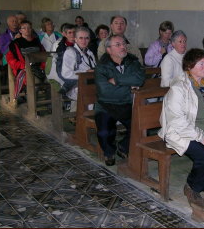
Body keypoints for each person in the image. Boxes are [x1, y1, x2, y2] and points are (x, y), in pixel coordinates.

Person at [158, 48, 204, 208]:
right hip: (182, 132)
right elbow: (177, 121)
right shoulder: (179, 88)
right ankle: (192, 187)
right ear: (190, 66)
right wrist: (202, 138)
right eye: (201, 63)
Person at [94, 35, 145, 166]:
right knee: (105, 131)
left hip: (127, 104)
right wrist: (129, 87)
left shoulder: (133, 61)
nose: (123, 47)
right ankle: (109, 152)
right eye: (118, 45)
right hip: (106, 105)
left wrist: (117, 81)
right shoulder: (101, 66)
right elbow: (105, 91)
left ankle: (123, 146)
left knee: (142, 127)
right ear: (109, 50)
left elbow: (139, 79)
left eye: (124, 44)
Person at [6, 20, 45, 107]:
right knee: (32, 82)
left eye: (29, 28)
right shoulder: (15, 43)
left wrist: (42, 66)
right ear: (20, 31)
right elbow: (10, 59)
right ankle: (30, 105)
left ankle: (47, 104)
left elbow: (44, 56)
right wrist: (23, 66)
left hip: (38, 68)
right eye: (24, 28)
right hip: (23, 69)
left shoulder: (37, 42)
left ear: (31, 29)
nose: (27, 30)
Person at [60, 27, 96, 110]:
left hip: (89, 83)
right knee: (90, 93)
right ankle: (86, 118)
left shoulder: (89, 53)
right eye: (81, 38)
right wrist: (85, 73)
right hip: (75, 86)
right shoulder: (70, 52)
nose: (84, 41)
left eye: (86, 38)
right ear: (75, 39)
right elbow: (66, 74)